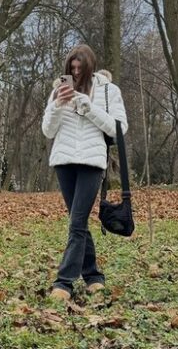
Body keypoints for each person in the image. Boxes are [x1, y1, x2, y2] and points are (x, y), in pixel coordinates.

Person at [41, 44, 127, 301]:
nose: (76, 73)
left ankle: (64, 283)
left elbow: (119, 130)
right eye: (72, 68)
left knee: (77, 222)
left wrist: (88, 107)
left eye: (80, 68)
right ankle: (93, 276)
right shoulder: (58, 91)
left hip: (92, 162)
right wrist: (58, 105)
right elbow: (48, 130)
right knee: (77, 221)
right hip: (64, 161)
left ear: (89, 68)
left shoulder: (109, 91)